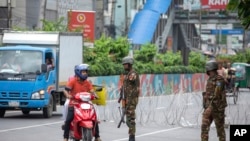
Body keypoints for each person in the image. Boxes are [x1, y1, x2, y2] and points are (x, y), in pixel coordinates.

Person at [63, 64, 102, 141]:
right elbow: (65, 90)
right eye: (83, 72)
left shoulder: (87, 82)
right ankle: (65, 137)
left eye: (86, 72)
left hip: (86, 103)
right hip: (74, 103)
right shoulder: (73, 81)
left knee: (94, 118)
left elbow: (92, 91)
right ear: (78, 72)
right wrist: (68, 95)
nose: (85, 73)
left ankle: (97, 136)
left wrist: (95, 95)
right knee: (68, 120)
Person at [201, 60, 227, 141]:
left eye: (209, 70)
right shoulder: (210, 79)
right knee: (204, 126)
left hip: (217, 108)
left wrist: (210, 107)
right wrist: (206, 105)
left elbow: (217, 94)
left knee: (220, 130)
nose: (208, 71)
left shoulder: (219, 80)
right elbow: (208, 94)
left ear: (212, 69)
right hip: (209, 107)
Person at [119, 56, 140, 141]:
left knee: (131, 119)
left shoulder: (132, 74)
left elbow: (131, 80)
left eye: (125, 64)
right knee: (128, 119)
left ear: (129, 64)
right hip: (127, 99)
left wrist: (124, 80)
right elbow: (125, 87)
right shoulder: (128, 75)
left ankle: (132, 137)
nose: (124, 66)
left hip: (132, 99)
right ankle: (131, 135)